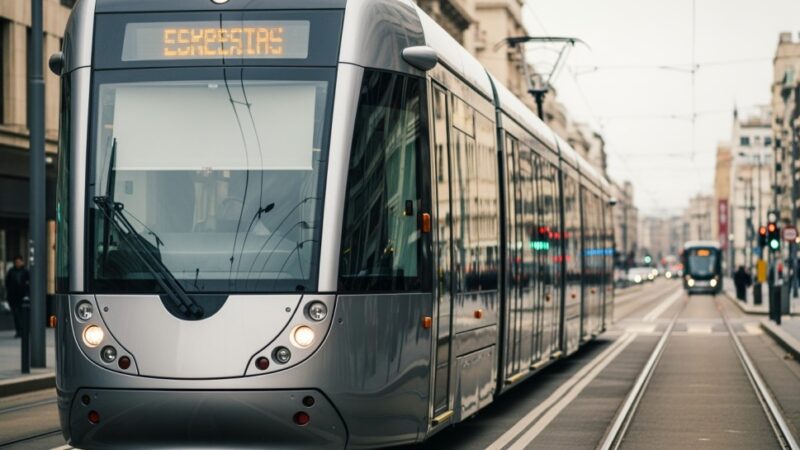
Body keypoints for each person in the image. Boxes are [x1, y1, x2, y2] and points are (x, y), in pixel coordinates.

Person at [5, 256, 29, 338]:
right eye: (16, 262)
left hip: (23, 297)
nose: (18, 263)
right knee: (16, 315)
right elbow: (7, 283)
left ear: (22, 262)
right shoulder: (11, 272)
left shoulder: (26, 272)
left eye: (19, 262)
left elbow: (29, 285)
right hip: (13, 297)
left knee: (23, 315)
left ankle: (23, 330)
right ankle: (18, 331)